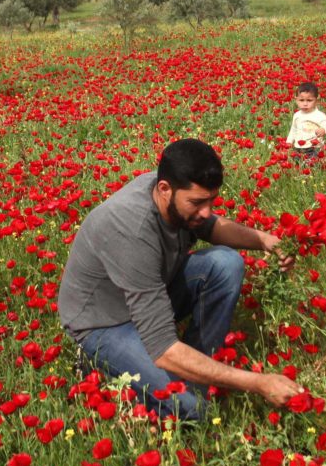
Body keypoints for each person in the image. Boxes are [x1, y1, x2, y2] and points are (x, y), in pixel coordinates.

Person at [59, 138, 303, 422]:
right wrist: (258, 382)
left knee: (226, 264)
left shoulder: (171, 188)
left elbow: (211, 227)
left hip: (152, 288)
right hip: (104, 322)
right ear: (164, 190)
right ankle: (98, 361)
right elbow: (163, 349)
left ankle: (197, 365)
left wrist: (265, 241)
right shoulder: (131, 230)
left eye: (212, 200)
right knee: (190, 406)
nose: (207, 212)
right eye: (198, 203)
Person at [286, 80, 326, 156]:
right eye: (301, 100)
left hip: (314, 148)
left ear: (316, 100)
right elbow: (293, 130)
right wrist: (288, 143)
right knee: (299, 166)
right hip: (298, 148)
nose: (305, 104)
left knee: (312, 165)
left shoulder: (319, 115)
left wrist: (324, 130)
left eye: (309, 100)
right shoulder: (297, 115)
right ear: (296, 100)